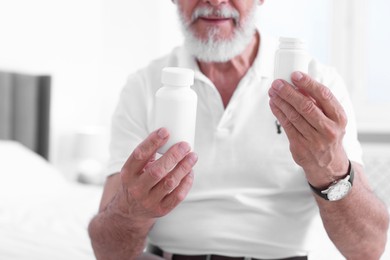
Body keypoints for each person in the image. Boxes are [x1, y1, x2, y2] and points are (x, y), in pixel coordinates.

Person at [88, 0, 389, 259]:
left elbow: (367, 249)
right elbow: (107, 251)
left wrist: (331, 168)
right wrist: (132, 210)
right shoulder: (144, 86)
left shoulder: (318, 84)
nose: (215, 0)